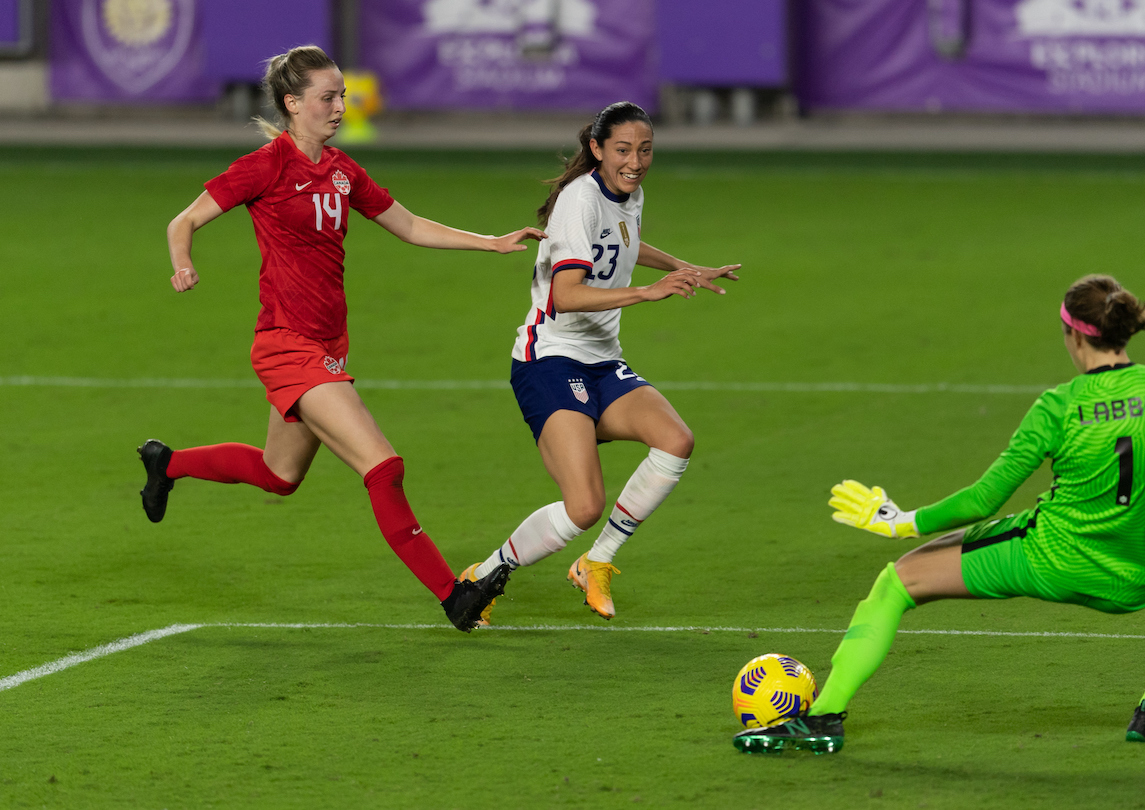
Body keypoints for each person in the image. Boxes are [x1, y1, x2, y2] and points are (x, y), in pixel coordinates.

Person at [734, 274, 1145, 754]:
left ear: (1072, 334)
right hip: (1138, 573)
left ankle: (823, 718)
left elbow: (983, 500)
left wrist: (899, 521)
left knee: (896, 583)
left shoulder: (1058, 407)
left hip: (1046, 561)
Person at [140, 45, 544, 633]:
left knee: (280, 475)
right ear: (292, 104)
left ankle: (167, 463)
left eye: (341, 96)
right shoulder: (266, 165)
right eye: (327, 97)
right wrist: (183, 262)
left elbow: (406, 225)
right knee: (383, 466)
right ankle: (454, 595)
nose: (338, 107)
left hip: (328, 346)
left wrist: (488, 241)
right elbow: (184, 220)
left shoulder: (341, 169)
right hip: (287, 346)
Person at [458, 101, 740, 624]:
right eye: (623, 150)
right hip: (549, 359)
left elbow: (622, 242)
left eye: (645, 150)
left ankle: (597, 561)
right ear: (597, 149)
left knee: (675, 440)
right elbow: (564, 295)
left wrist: (683, 267)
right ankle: (486, 575)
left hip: (601, 361)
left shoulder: (625, 193)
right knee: (583, 507)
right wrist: (646, 294)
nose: (635, 161)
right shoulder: (578, 200)